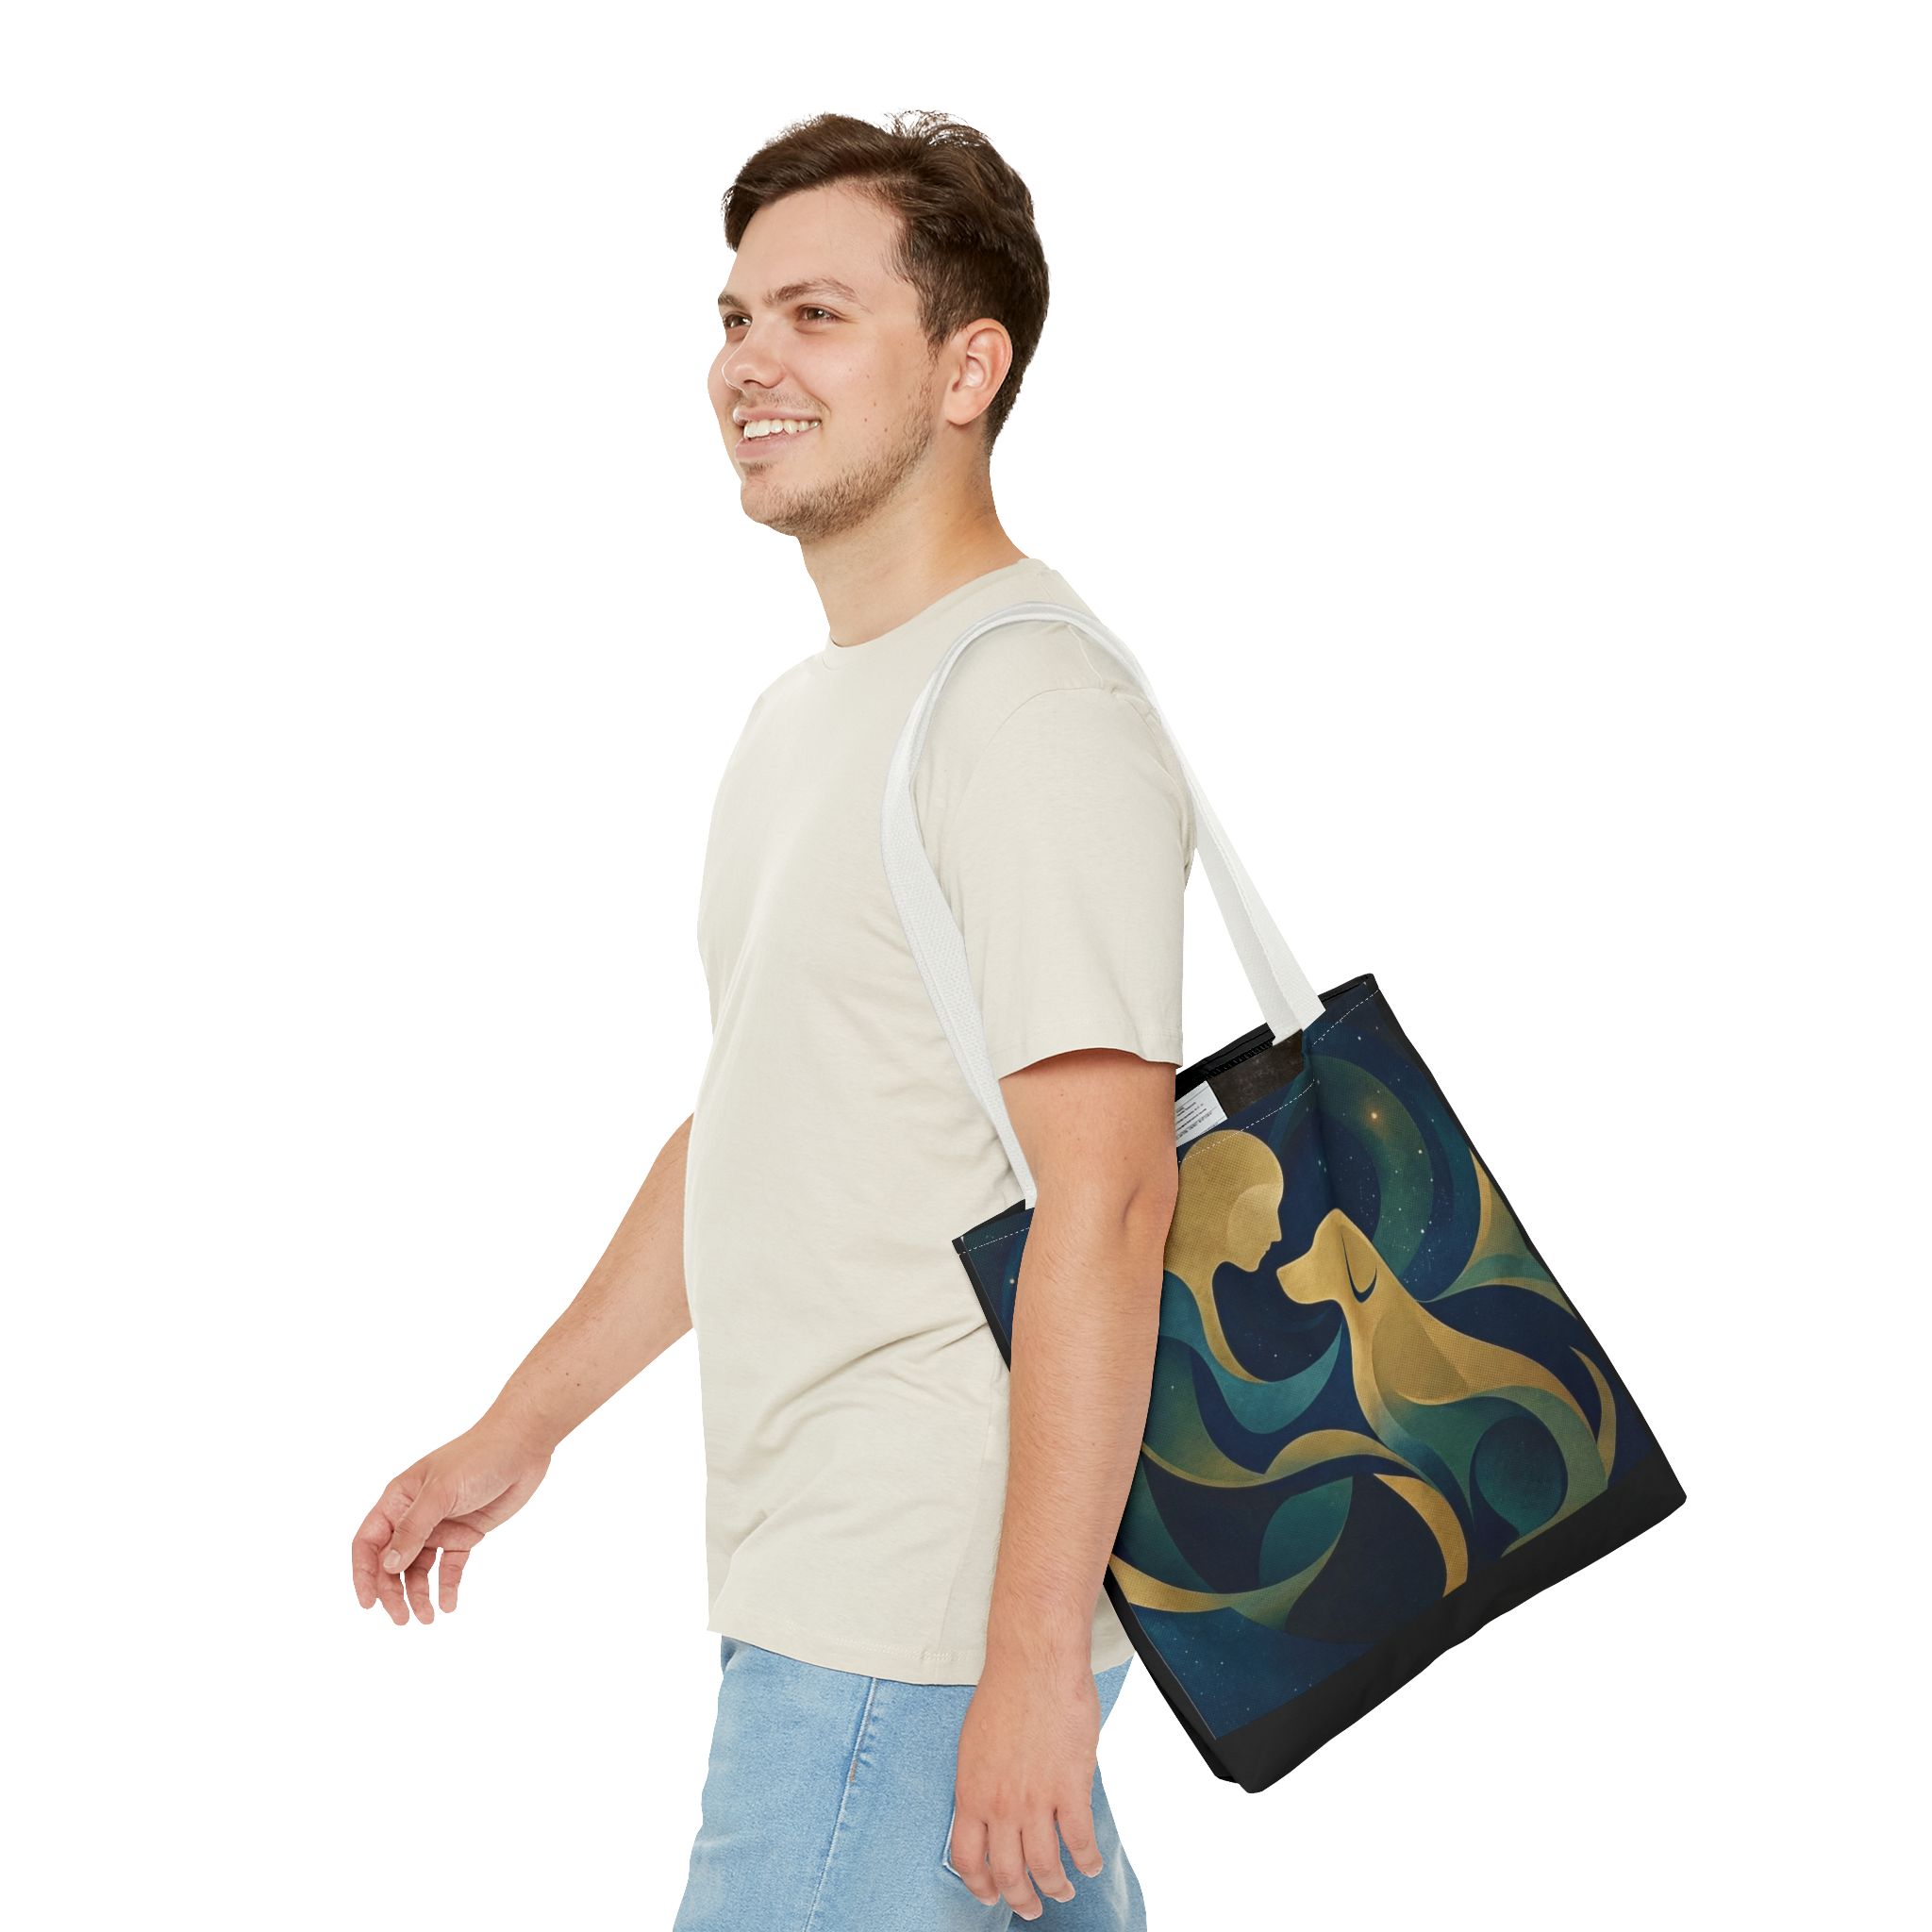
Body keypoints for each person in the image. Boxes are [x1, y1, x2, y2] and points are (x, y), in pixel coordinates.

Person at [350, 108, 1194, 1929]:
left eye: (817, 315)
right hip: (839, 1594)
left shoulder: (1026, 708)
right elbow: (759, 1126)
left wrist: (1030, 1667)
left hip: (908, 1626)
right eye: (736, 317)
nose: (750, 363)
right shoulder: (810, 719)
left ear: (968, 369)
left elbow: (1115, 1194)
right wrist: (520, 1430)